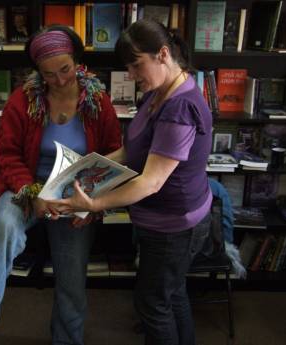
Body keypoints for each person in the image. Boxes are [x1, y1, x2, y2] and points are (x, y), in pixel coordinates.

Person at [0, 25, 121, 345]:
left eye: (65, 69)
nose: (59, 80)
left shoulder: (98, 100)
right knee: (3, 224)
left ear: (76, 60)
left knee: (71, 281)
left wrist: (90, 203)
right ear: (37, 72)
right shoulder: (23, 100)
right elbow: (6, 155)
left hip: (76, 193)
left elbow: (112, 154)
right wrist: (32, 193)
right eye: (49, 74)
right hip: (28, 185)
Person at [48, 19, 213, 345]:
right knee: (172, 295)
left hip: (174, 226)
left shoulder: (178, 107)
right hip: (168, 220)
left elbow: (150, 182)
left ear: (163, 54)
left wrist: (93, 204)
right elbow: (132, 148)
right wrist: (92, 167)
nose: (133, 76)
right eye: (128, 67)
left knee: (153, 305)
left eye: (137, 66)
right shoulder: (160, 93)